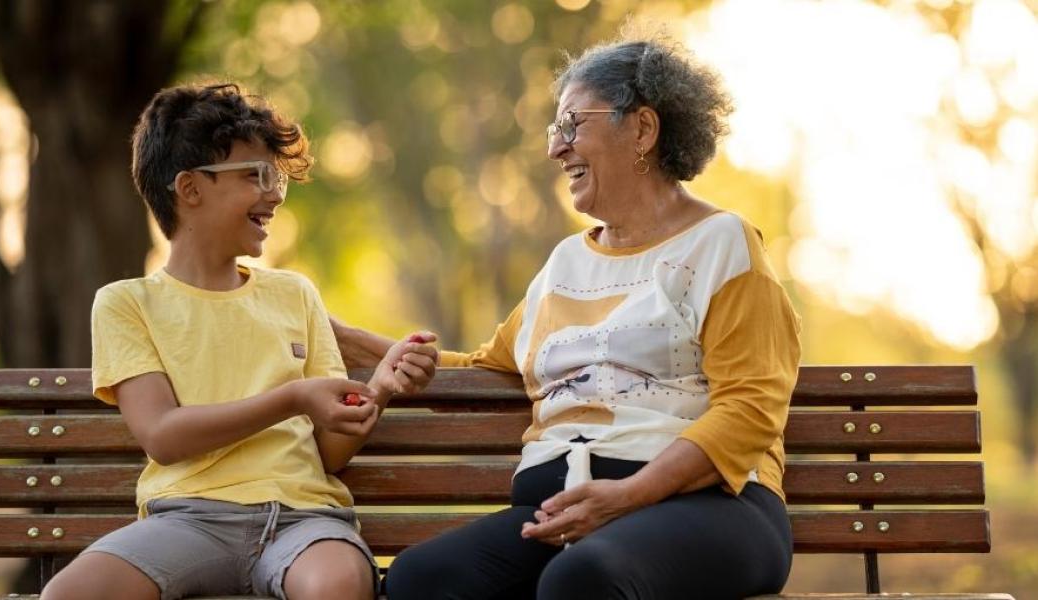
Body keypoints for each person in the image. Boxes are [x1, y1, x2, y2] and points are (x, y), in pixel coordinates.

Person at [332, 35, 801, 600]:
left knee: (581, 581)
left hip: (711, 507)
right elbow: (491, 365)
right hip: (560, 510)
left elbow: (750, 409)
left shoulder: (722, 244)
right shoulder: (565, 264)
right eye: (556, 130)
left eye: (572, 124)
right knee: (421, 580)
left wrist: (630, 494)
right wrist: (339, 335)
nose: (556, 148)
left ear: (643, 131)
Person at [40, 83, 439, 600]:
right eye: (257, 176)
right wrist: (292, 398)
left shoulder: (294, 294)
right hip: (188, 520)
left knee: (337, 584)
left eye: (275, 177)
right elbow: (162, 434)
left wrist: (378, 389)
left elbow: (327, 454)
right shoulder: (126, 303)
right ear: (190, 189)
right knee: (67, 596)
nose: (274, 193)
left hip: (304, 520)